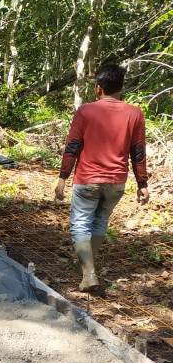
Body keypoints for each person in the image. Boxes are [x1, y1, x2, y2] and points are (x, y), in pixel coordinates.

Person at [55, 64, 150, 292]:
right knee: (99, 222)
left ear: (98, 88)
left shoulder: (86, 111)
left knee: (80, 224)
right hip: (116, 181)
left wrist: (62, 177)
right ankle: (89, 270)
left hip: (87, 179)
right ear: (121, 87)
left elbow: (73, 146)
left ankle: (89, 274)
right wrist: (142, 183)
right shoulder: (135, 113)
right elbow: (138, 151)